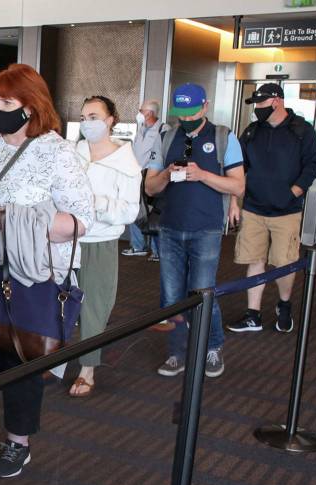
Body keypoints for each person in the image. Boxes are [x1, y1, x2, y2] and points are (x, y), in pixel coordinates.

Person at [0, 64, 93, 478]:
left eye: (7, 102)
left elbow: (82, 220)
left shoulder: (56, 151)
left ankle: (18, 441)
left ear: (31, 107)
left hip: (27, 277)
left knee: (19, 358)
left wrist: (16, 219)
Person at [145, 83, 245, 379]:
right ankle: (177, 352)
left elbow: (238, 185)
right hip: (170, 228)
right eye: (181, 114)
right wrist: (165, 174)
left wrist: (201, 175)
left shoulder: (224, 137)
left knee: (202, 292)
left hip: (206, 228)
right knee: (171, 296)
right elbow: (150, 187)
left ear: (205, 106)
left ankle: (212, 346)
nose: (186, 119)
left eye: (192, 113)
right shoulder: (165, 137)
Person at [226, 83, 316, 335]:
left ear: (276, 101)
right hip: (254, 208)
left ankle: (284, 304)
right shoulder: (251, 132)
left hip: (286, 211)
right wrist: (234, 201)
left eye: (261, 104)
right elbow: (238, 169)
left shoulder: (302, 130)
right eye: (255, 105)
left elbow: (313, 165)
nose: (257, 109)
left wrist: (293, 192)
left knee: (283, 263)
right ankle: (253, 314)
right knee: (254, 260)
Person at [70, 95, 141, 397]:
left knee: (94, 308)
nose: (89, 123)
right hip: (65, 237)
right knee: (54, 302)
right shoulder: (73, 152)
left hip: (100, 242)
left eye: (95, 116)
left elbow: (129, 211)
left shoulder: (126, 162)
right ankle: (51, 357)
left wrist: (96, 203)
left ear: (111, 119)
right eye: (84, 117)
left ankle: (87, 369)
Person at [123, 99, 168, 259]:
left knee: (154, 212)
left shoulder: (163, 129)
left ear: (149, 113)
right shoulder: (141, 128)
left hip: (151, 177)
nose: (139, 113)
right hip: (136, 175)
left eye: (141, 110)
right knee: (136, 210)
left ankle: (157, 251)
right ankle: (138, 246)